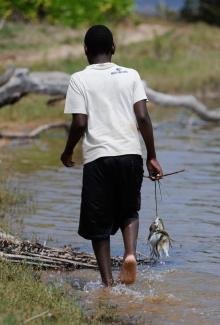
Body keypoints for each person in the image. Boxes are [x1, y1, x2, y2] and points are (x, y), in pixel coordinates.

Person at [60, 25, 163, 287]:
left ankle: (107, 283)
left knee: (99, 222)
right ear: (113, 48)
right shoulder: (131, 75)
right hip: (130, 154)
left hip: (99, 158)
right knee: (129, 209)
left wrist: (68, 150)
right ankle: (130, 253)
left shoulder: (78, 79)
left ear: (85, 50)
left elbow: (80, 123)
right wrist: (151, 155)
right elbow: (142, 117)